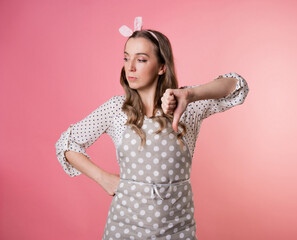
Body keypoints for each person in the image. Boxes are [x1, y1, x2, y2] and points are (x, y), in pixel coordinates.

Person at [55, 28, 249, 240]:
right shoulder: (116, 109)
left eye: (141, 60)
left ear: (162, 67)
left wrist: (189, 94)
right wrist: (103, 178)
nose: (130, 67)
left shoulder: (188, 106)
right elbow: (67, 144)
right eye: (126, 58)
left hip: (177, 229)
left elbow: (237, 86)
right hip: (124, 228)